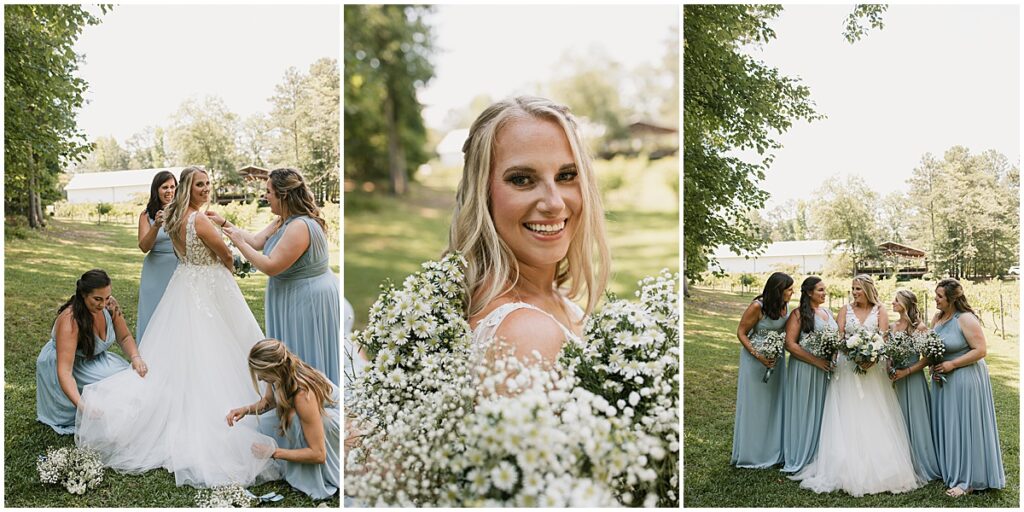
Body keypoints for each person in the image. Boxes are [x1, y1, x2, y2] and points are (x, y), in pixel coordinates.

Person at [75, 166, 279, 488]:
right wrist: (230, 266)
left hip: (184, 284)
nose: (206, 188)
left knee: (182, 348)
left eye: (209, 183)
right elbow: (224, 253)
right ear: (189, 187)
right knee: (216, 344)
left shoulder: (174, 218)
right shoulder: (198, 219)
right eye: (200, 184)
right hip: (208, 286)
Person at [447, 96, 610, 368]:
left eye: (566, 176)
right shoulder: (528, 334)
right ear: (482, 195)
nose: (554, 203)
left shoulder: (551, 300)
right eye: (522, 179)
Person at [790, 275, 922, 496]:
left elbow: (883, 338)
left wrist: (873, 356)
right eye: (852, 288)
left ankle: (882, 466)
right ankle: (844, 466)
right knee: (848, 413)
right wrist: (851, 353)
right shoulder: (844, 310)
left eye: (858, 288)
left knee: (875, 413)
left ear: (868, 289)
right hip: (847, 368)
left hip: (874, 370)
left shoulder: (880, 310)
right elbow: (840, 339)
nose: (854, 292)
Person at [215, 168, 340, 384]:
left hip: (306, 299)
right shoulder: (284, 219)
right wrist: (224, 223)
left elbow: (271, 266)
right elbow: (256, 241)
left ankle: (309, 404)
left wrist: (239, 243)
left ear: (283, 195)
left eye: (269, 192)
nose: (265, 196)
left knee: (303, 355)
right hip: (293, 295)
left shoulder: (300, 226)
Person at [36, 269, 147, 434]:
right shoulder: (70, 320)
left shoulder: (110, 305)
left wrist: (136, 357)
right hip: (71, 365)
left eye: (107, 297)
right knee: (113, 387)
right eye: (97, 299)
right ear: (83, 294)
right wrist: (83, 406)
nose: (103, 305)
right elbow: (65, 372)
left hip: (97, 359)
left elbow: (124, 337)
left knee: (132, 377)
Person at [226, 339, 339, 500]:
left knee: (292, 420)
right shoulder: (281, 372)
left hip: (335, 420)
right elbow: (269, 401)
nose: (259, 379)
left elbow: (318, 454)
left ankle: (312, 474)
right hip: (310, 413)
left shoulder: (302, 395)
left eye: (261, 373)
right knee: (264, 424)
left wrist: (273, 452)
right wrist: (246, 410)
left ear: (273, 369)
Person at [929, 278, 1004, 497]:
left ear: (952, 299)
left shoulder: (966, 319)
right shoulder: (938, 318)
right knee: (950, 425)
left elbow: (980, 350)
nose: (936, 299)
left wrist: (952, 363)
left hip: (965, 377)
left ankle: (969, 479)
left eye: (940, 296)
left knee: (965, 426)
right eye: (936, 295)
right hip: (943, 380)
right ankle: (951, 469)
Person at [730, 272, 792, 468]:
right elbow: (741, 332)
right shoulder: (758, 306)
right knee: (756, 406)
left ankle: (773, 450)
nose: (792, 293)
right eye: (789, 290)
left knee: (774, 404)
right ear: (778, 291)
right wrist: (759, 356)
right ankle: (753, 453)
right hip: (756, 361)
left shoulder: (785, 306)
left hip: (777, 360)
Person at [781, 276, 833, 473]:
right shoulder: (798, 314)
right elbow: (790, 344)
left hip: (825, 371)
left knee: (821, 411)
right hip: (804, 368)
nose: (824, 293)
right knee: (804, 410)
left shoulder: (828, 312)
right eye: (820, 290)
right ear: (809, 292)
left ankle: (820, 453)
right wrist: (816, 361)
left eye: (824, 289)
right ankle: (800, 452)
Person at [888, 289, 941, 482]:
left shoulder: (919, 328)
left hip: (913, 379)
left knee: (917, 420)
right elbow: (889, 352)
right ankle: (902, 462)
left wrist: (907, 371)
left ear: (906, 304)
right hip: (895, 380)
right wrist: (890, 366)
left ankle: (922, 462)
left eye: (896, 300)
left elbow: (927, 358)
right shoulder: (893, 326)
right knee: (897, 419)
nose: (892, 302)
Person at [136, 170, 178, 343]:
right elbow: (144, 247)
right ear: (156, 190)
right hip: (154, 271)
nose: (169, 191)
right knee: (153, 312)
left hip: (178, 267)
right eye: (164, 187)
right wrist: (156, 226)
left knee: (176, 312)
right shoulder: (146, 215)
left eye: (173, 187)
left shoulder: (182, 211)